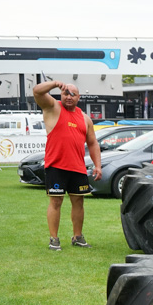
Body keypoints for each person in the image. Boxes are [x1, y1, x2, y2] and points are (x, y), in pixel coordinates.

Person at [32, 81, 101, 251]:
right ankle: (54, 239)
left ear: (79, 97)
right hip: (56, 166)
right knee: (56, 201)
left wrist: (98, 166)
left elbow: (93, 143)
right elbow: (37, 92)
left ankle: (77, 237)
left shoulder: (85, 118)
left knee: (79, 202)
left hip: (77, 167)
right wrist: (55, 84)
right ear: (61, 94)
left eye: (73, 94)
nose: (69, 96)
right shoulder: (53, 107)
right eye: (66, 93)